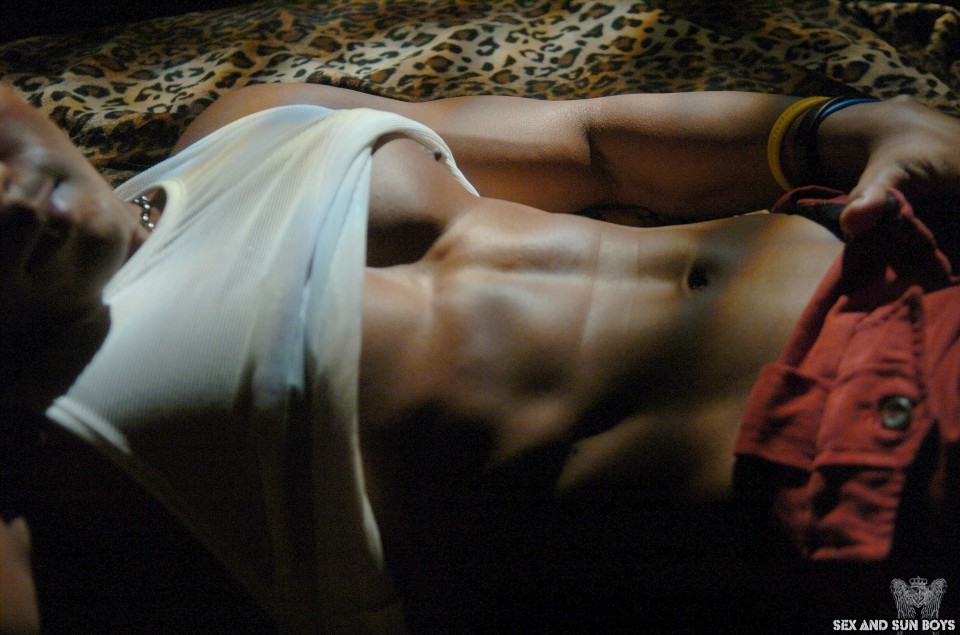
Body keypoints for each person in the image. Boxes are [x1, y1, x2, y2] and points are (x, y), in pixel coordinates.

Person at [1, 82, 958, 633]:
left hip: (893, 248)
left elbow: (593, 145)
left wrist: (853, 128)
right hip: (860, 492)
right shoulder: (33, 471)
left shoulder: (248, 123)